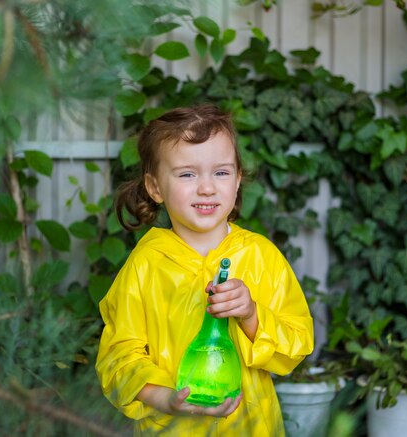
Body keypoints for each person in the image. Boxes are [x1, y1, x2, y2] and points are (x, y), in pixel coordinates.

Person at [95, 104, 314, 436]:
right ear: (155, 187)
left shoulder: (260, 255)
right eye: (187, 174)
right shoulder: (146, 263)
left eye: (221, 172)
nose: (207, 187)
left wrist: (251, 315)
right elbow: (117, 357)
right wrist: (165, 398)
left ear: (238, 180)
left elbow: (297, 344)